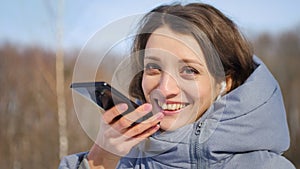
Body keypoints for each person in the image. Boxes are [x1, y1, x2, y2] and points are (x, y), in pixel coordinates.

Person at [59, 2, 295, 169]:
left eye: (189, 70)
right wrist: (98, 162)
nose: (164, 88)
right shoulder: (117, 163)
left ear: (225, 82)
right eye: (154, 67)